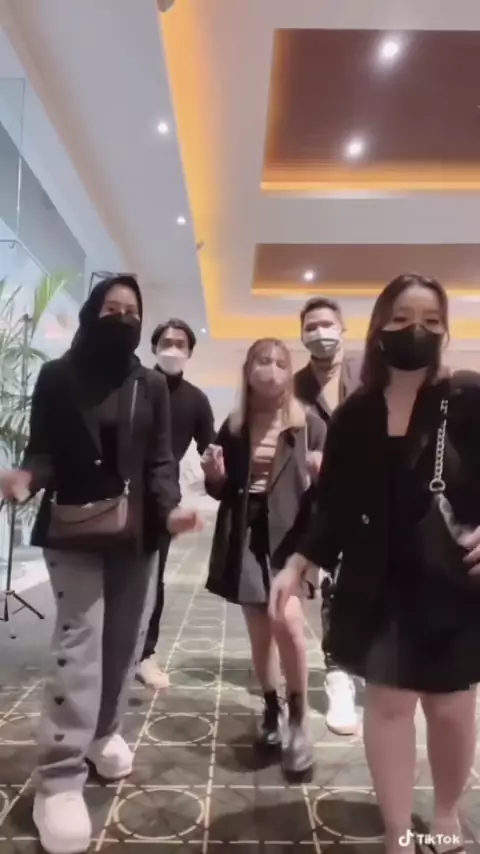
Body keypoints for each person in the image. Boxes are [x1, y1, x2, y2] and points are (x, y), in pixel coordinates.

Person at [270, 273, 480, 854]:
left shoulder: (468, 399)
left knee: (451, 708)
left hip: (452, 582)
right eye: (403, 319)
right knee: (388, 705)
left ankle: (445, 812)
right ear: (380, 327)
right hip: (376, 581)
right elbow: (332, 503)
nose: (417, 330)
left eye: (431, 321)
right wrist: (298, 561)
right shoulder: (356, 413)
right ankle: (397, 831)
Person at [0, 276, 201, 854]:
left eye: (131, 311)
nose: (122, 317)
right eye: (111, 308)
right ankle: (60, 776)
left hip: (137, 535)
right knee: (81, 643)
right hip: (74, 530)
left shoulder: (149, 384)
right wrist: (26, 477)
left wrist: (171, 509)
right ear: (92, 313)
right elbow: (42, 451)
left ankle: (104, 733)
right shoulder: (57, 377)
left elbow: (160, 461)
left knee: (123, 644)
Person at [201, 337, 326, 779]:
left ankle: (299, 717)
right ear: (248, 370)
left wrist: (321, 474)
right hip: (245, 533)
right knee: (259, 632)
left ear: (289, 371)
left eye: (278, 362)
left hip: (292, 533)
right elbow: (220, 489)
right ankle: (272, 709)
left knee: (287, 621)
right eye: (261, 361)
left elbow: (330, 489)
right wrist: (214, 475)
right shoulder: (235, 425)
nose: (270, 369)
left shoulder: (307, 423)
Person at [294, 296, 360, 735]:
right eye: (311, 326)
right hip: (320, 502)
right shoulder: (295, 385)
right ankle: (338, 677)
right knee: (332, 587)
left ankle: (369, 665)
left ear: (343, 328)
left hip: (375, 498)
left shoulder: (368, 373)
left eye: (327, 324)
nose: (320, 333)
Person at [137, 318, 215, 688]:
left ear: (190, 351)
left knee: (153, 578)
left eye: (180, 343)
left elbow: (210, 445)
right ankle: (106, 650)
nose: (172, 349)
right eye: (166, 342)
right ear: (153, 347)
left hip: (163, 499)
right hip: (121, 493)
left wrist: (218, 465)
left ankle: (145, 653)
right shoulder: (135, 385)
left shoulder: (196, 400)